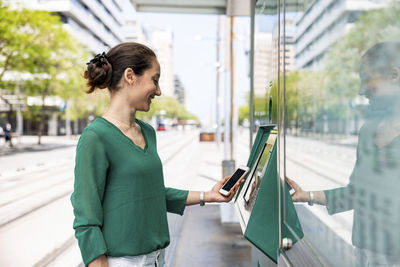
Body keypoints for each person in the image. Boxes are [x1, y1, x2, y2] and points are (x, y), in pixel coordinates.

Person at [70, 42, 243, 267]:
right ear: (130, 76)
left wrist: (208, 196)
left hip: (157, 259)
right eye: (155, 80)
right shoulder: (95, 137)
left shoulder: (148, 132)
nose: (159, 91)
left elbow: (150, 194)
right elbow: (86, 217)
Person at [287, 42, 400, 266]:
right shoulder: (368, 132)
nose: (361, 89)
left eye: (366, 78)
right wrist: (306, 196)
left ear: (394, 76)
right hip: (364, 252)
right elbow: (356, 193)